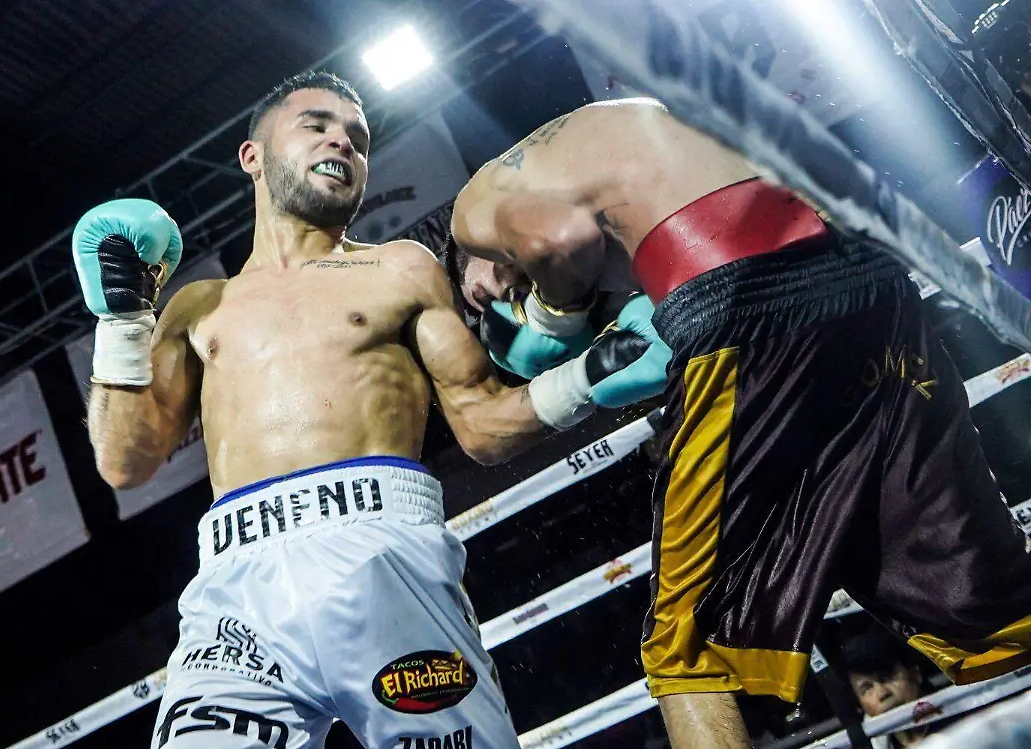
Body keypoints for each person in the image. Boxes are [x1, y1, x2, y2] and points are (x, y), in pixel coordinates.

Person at [70, 72, 660, 749]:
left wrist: (590, 374)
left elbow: (480, 424)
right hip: (236, 589)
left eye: (357, 137)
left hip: (382, 555)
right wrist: (121, 320)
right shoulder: (197, 306)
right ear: (252, 156)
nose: (342, 142)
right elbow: (124, 461)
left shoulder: (398, 269)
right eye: (317, 124)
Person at [447, 97, 1031, 749]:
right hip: (864, 272)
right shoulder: (612, 137)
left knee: (684, 648)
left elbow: (557, 241)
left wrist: (552, 317)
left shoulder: (476, 207)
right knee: (979, 597)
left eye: (487, 296)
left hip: (745, 298)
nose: (502, 304)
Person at [841, 629, 939, 747]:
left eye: (887, 676)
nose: (882, 693)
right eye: (866, 689)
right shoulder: (871, 745)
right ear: (861, 706)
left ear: (914, 674)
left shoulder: (959, 720)